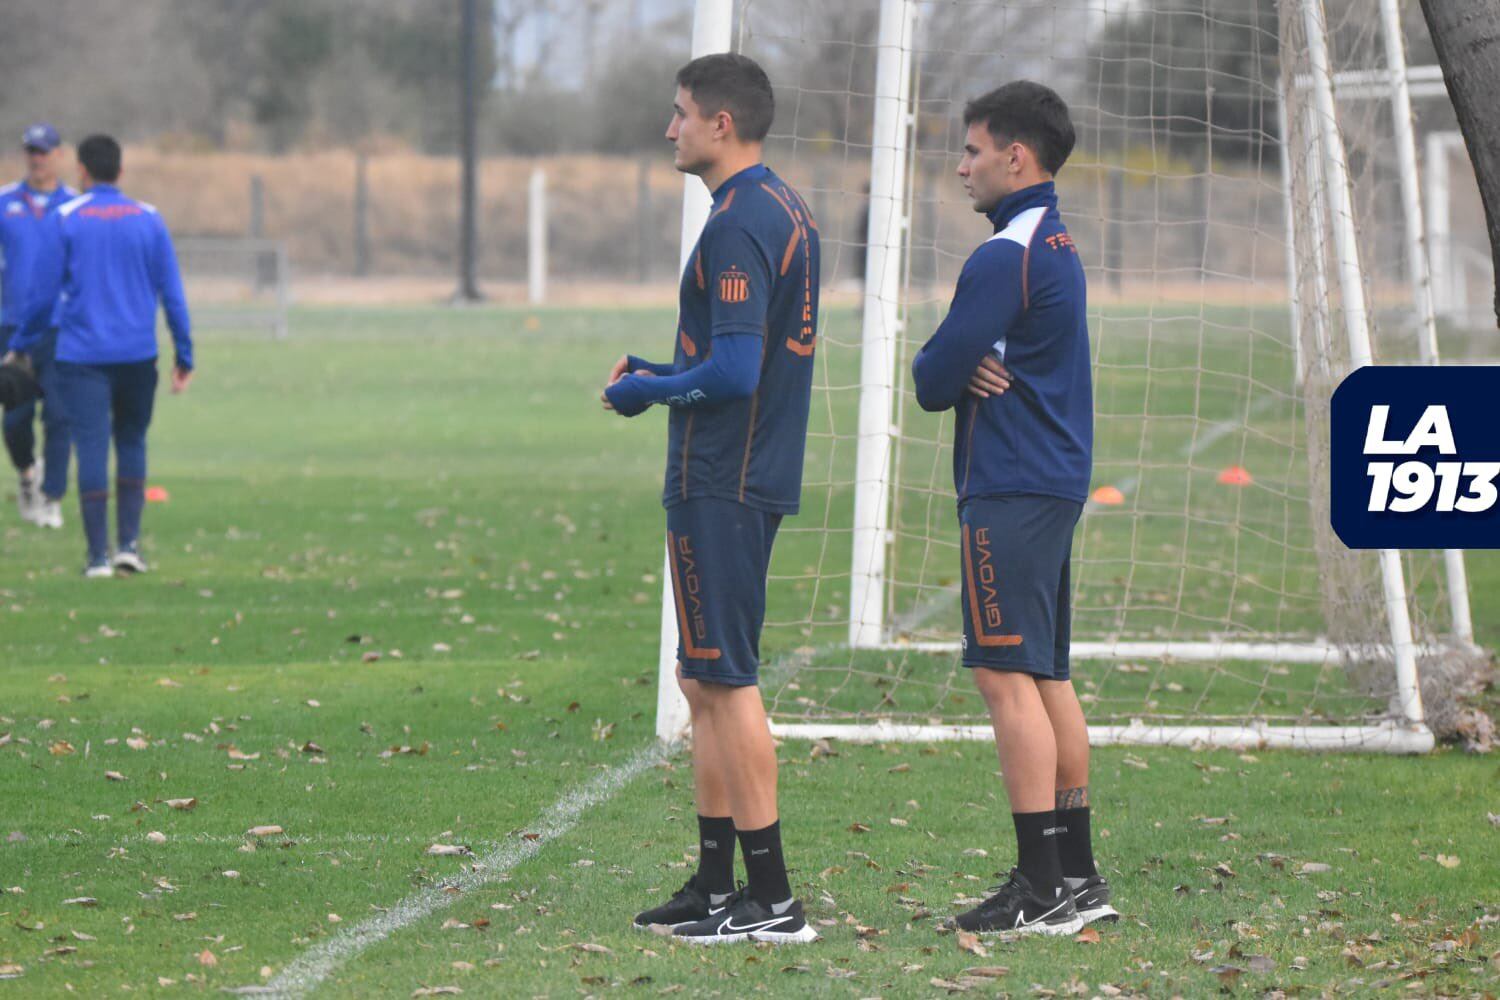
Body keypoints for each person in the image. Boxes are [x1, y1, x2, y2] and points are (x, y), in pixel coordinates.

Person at [601, 53, 820, 945]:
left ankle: (773, 903)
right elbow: (737, 356)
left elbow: (734, 371)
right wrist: (659, 371)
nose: (671, 128)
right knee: (701, 677)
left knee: (725, 681)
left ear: (720, 124)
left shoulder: (738, 223)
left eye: (681, 113)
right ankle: (715, 884)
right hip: (736, 471)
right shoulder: (778, 205)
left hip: (723, 478)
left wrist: (648, 394)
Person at [911, 81, 1115, 936]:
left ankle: (1041, 887)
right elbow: (965, 358)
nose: (961, 167)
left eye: (971, 150)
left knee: (1003, 674)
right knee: (1045, 675)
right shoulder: (1053, 238)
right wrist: (974, 356)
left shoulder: (1005, 255)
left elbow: (927, 380)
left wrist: (961, 360)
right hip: (1053, 479)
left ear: (1014, 157)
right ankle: (1076, 871)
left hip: (1012, 484)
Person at [10, 134, 193, 578]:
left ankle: (97, 558)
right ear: (121, 173)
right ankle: (129, 546)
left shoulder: (66, 218)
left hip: (83, 357)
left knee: (91, 444)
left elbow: (41, 294)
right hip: (137, 354)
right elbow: (172, 292)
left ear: (83, 172)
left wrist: (22, 343)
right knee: (131, 441)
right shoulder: (149, 220)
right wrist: (183, 352)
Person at [0, 122, 76, 528]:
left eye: (43, 151)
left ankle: (53, 497)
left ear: (58, 155)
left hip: (61, 328)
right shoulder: (6, 201)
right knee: (14, 418)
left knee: (60, 416)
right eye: (30, 150)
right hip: (12, 326)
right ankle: (29, 474)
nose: (36, 158)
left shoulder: (74, 206)